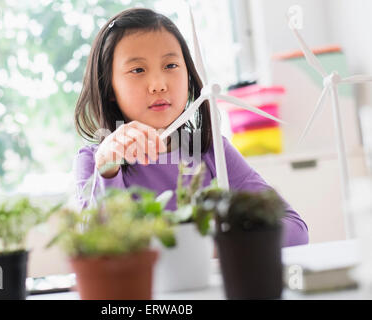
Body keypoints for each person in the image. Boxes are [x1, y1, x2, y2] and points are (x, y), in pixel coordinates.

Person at [72, 7, 308, 247]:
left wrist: (222, 246)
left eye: (171, 66)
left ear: (188, 75)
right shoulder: (94, 161)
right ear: (110, 88)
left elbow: (295, 229)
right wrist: (107, 172)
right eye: (138, 70)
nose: (158, 84)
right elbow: (96, 249)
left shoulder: (210, 150)